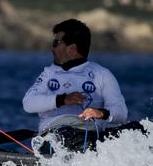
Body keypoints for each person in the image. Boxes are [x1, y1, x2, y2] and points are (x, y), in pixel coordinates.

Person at [22, 19, 135, 152]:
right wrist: (62, 100)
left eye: (56, 43)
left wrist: (101, 113)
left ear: (72, 48)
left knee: (137, 128)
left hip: (91, 133)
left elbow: (122, 112)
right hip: (56, 133)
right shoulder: (48, 74)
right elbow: (28, 104)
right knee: (67, 138)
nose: (52, 48)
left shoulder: (102, 74)